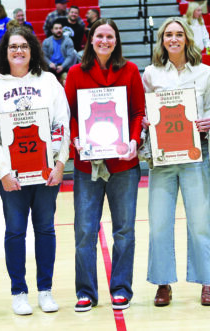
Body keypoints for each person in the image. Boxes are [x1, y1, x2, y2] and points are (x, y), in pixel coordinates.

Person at [0, 26, 70, 315]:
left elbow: (62, 125)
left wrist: (59, 164)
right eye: (12, 46)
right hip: (11, 173)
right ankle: (19, 292)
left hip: (46, 170)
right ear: (4, 52)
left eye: (23, 46)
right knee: (15, 231)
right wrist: (3, 172)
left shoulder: (49, 82)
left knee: (45, 229)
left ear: (32, 50)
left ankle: (45, 290)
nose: (18, 51)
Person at [64, 18, 145, 312]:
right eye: (100, 36)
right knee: (85, 230)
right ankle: (86, 291)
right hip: (88, 165)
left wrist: (134, 139)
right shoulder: (75, 72)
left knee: (124, 230)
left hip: (124, 163)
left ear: (116, 40)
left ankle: (122, 287)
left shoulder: (131, 70)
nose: (105, 41)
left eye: (110, 36)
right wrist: (75, 137)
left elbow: (137, 112)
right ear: (91, 39)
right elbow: (70, 114)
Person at [140, 17, 210, 307]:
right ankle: (163, 283)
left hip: (195, 156)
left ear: (187, 38)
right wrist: (147, 121)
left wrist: (208, 121)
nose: (173, 39)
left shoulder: (206, 73)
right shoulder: (150, 73)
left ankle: (206, 281)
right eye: (168, 35)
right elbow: (145, 112)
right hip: (162, 159)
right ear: (162, 40)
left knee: (199, 221)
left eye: (178, 34)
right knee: (159, 222)